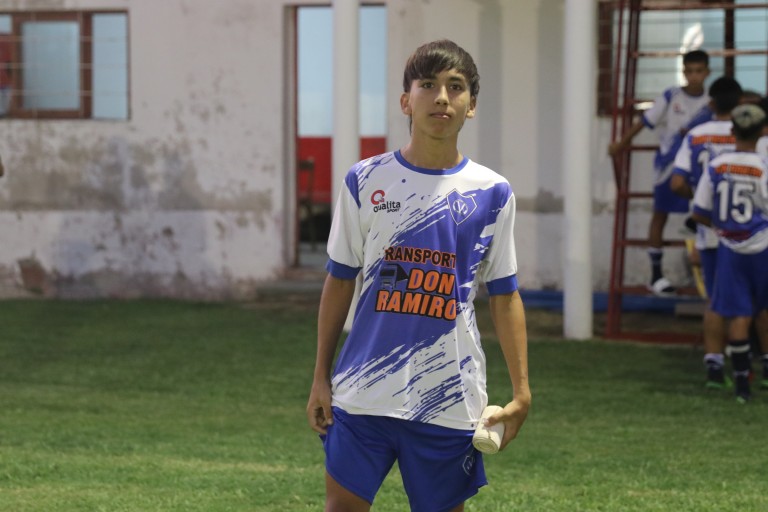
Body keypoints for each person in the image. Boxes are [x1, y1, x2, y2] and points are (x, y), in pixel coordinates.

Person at [306, 39, 531, 511]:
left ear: (471, 105)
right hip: (362, 392)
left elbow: (504, 294)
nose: (442, 97)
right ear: (406, 100)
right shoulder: (365, 180)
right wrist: (320, 377)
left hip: (448, 396)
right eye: (428, 85)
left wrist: (522, 391)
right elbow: (340, 279)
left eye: (456, 87)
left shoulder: (492, 192)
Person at [609, 50, 711, 296]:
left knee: (704, 217)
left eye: (699, 71)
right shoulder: (671, 95)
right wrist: (621, 143)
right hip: (669, 167)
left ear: (707, 72)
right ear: (683, 72)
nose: (694, 76)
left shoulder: (711, 101)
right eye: (689, 71)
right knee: (660, 215)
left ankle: (708, 274)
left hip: (700, 169)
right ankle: (655, 275)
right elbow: (644, 121)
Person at [691, 103, 768, 403]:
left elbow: (699, 211)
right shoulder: (763, 166)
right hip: (762, 246)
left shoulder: (716, 166)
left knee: (738, 314)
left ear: (733, 130)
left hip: (729, 248)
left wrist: (721, 229)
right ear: (763, 131)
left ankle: (741, 384)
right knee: (763, 309)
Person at [670, 76, 742, 388]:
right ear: (740, 103)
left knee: (715, 300)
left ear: (711, 103)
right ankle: (748, 365)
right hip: (747, 233)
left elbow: (676, 183)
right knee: (750, 302)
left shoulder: (697, 135)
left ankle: (714, 365)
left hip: (709, 230)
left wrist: (700, 198)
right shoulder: (750, 137)